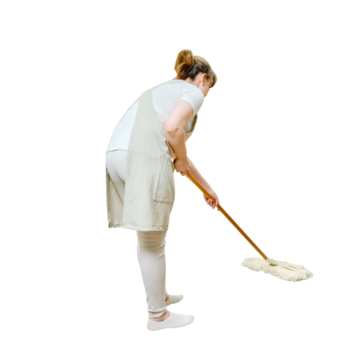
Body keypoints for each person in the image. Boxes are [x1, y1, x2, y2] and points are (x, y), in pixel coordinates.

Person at [104, 47, 219, 333]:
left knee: (148, 238)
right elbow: (172, 130)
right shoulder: (191, 92)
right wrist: (179, 156)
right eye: (210, 89)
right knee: (153, 241)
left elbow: (178, 149)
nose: (206, 96)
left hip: (117, 156)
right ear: (203, 78)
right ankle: (158, 317)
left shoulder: (161, 89)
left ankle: (159, 296)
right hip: (142, 158)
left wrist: (207, 189)